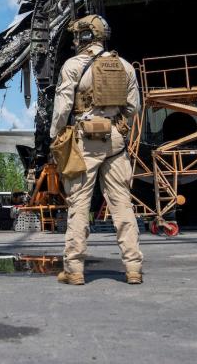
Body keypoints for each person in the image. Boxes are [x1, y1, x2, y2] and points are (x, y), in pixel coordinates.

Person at [50, 15, 143, 285]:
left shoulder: (73, 66)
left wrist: (55, 137)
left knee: (79, 204)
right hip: (115, 140)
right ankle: (133, 268)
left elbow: (62, 109)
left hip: (85, 140)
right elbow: (133, 108)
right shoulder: (125, 66)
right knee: (122, 204)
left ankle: (74, 269)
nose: (75, 40)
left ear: (85, 36)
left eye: (77, 35)